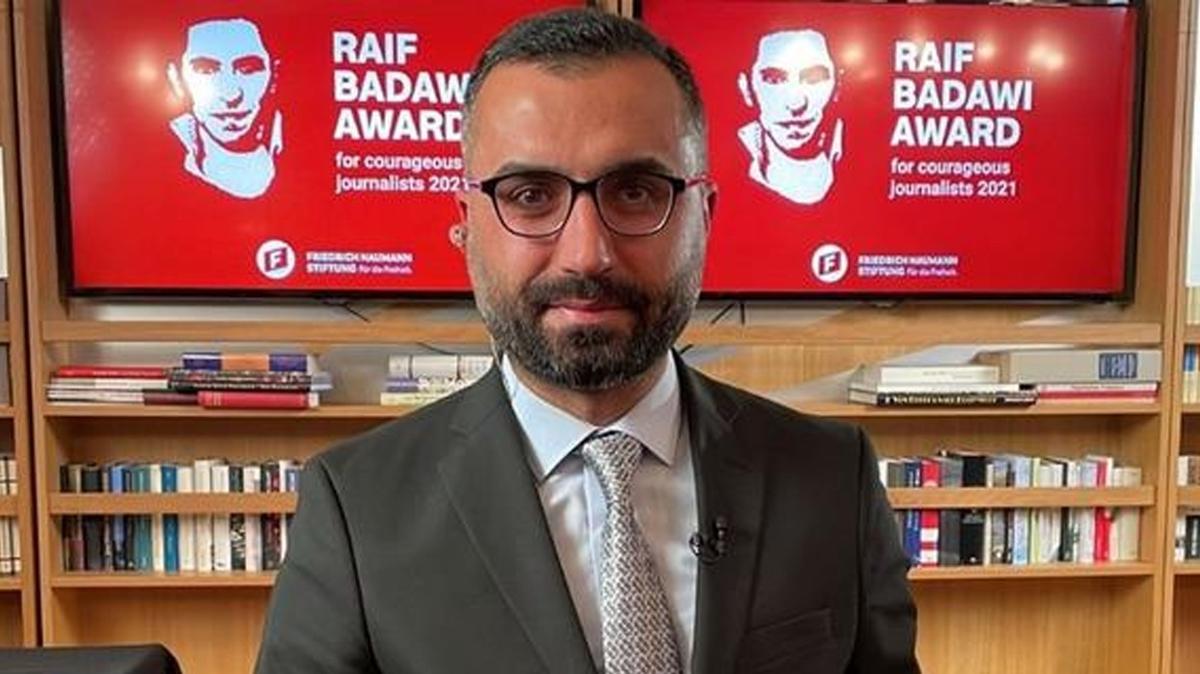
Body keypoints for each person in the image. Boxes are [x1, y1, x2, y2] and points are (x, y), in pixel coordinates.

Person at [256, 9, 917, 674]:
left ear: (704, 215)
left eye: (634, 192)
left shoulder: (833, 478)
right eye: (530, 195)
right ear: (467, 225)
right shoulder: (356, 508)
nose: (586, 253)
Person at [167, 18, 282, 199]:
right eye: (205, 71)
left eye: (248, 69)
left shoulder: (311, 145)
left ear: (274, 75)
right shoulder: (152, 164)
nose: (231, 95)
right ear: (177, 80)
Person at [737, 30, 845, 205]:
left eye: (814, 78)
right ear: (746, 88)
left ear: (838, 85)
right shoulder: (726, 164)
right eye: (774, 80)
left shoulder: (864, 157)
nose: (796, 104)